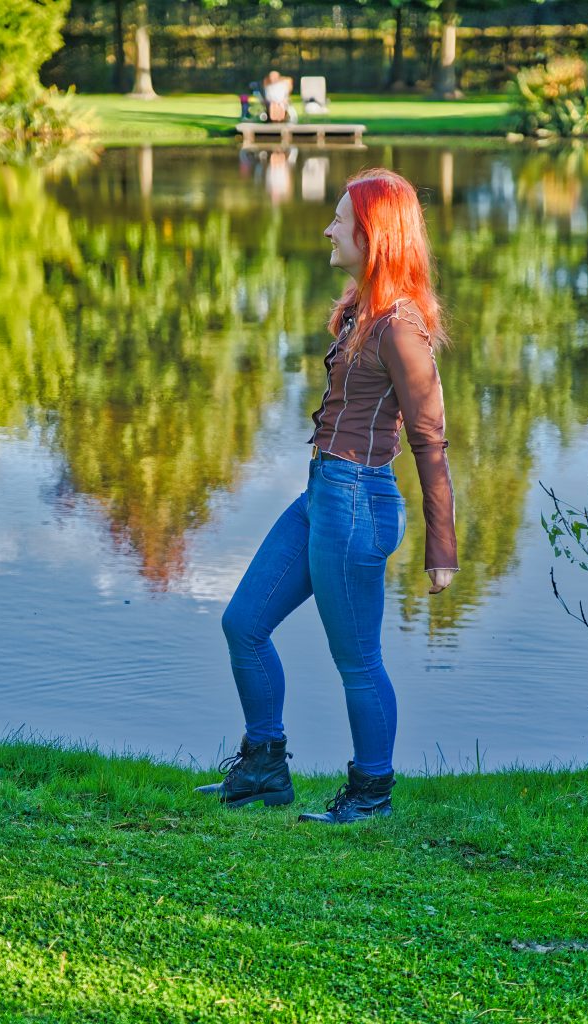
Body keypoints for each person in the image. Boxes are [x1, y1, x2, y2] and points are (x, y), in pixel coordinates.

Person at [196, 169, 459, 824]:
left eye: (341, 219)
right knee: (244, 623)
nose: (328, 229)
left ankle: (371, 793)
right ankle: (263, 770)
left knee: (357, 661)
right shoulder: (364, 312)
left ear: (375, 234)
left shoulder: (401, 328)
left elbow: (430, 440)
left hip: (357, 504)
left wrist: (442, 547)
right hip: (323, 494)